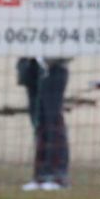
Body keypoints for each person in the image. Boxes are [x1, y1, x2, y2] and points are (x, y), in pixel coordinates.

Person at [16, 57, 71, 191]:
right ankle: (40, 175)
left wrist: (50, 60)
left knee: (53, 122)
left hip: (53, 67)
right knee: (39, 123)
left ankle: (58, 176)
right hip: (32, 66)